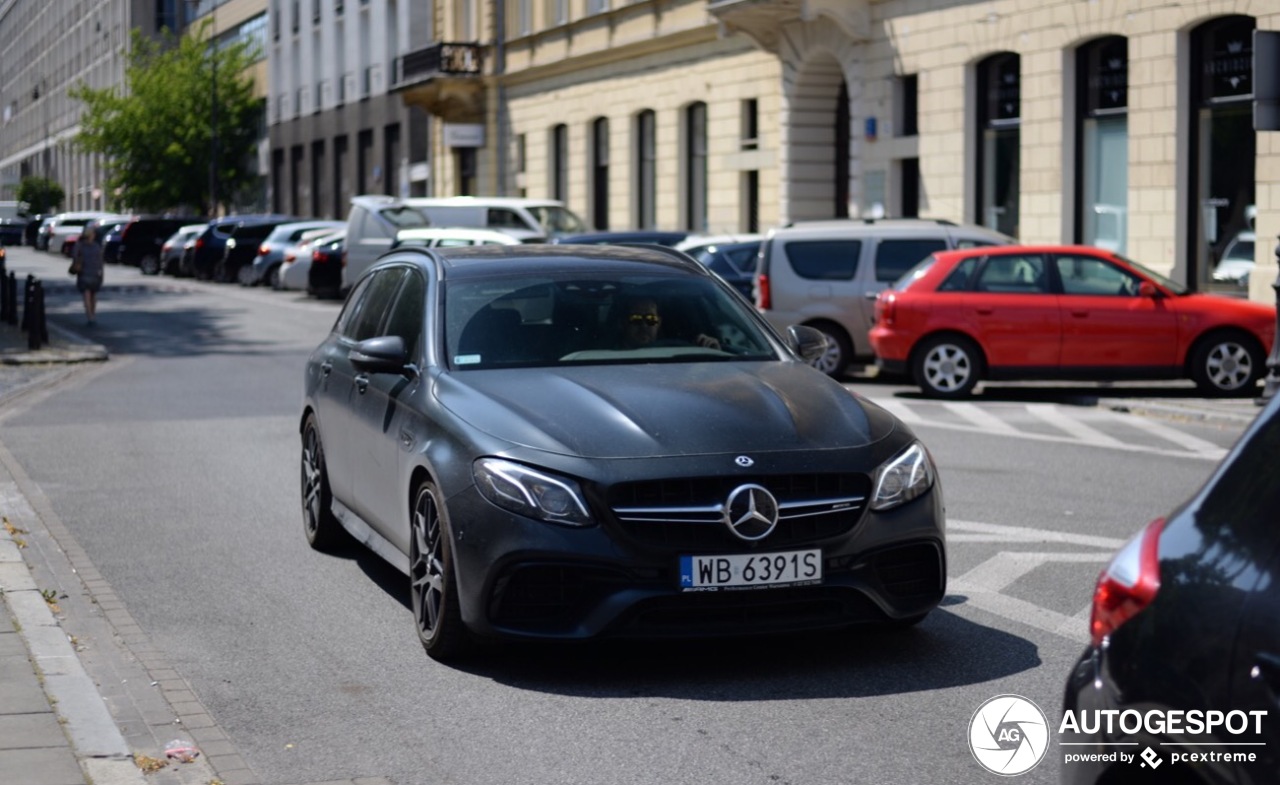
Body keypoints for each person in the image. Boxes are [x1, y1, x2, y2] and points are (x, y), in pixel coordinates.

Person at [617, 296, 719, 350]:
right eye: (636, 319)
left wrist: (711, 350)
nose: (644, 325)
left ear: (659, 323)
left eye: (651, 319)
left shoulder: (678, 352)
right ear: (623, 323)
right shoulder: (609, 355)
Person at [71, 225, 105, 325]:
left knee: (87, 294)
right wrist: (101, 273)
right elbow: (101, 261)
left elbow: (74, 257)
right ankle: (92, 315)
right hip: (95, 273)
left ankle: (90, 316)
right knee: (93, 295)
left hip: (84, 273)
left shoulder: (79, 245)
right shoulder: (96, 246)